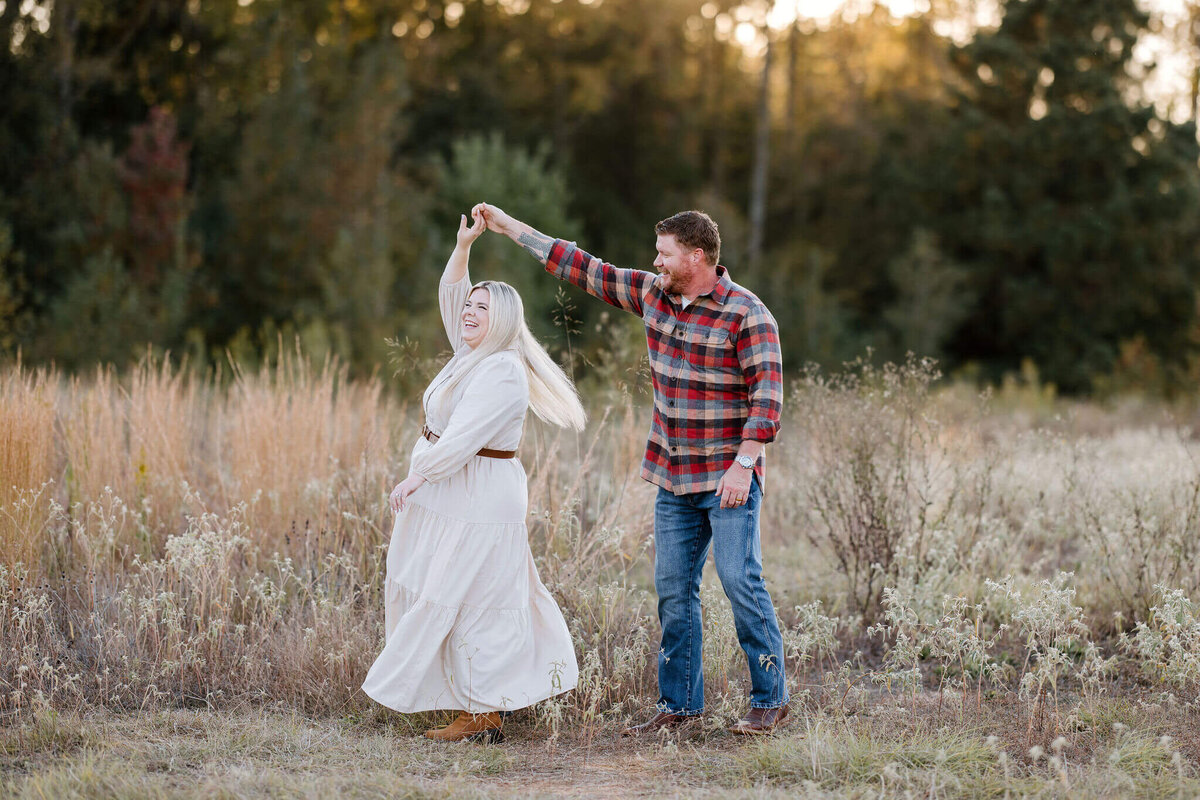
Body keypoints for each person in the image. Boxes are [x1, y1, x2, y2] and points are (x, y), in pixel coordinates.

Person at [477, 203, 789, 736]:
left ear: (697, 256)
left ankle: (770, 698)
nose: (656, 260)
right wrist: (508, 228)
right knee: (672, 591)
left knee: (740, 581)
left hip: (728, 478)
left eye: (665, 253)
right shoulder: (651, 294)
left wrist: (744, 465)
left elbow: (767, 398)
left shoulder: (747, 313)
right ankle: (680, 706)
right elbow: (579, 265)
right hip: (673, 477)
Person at [361, 209, 585, 743]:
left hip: (480, 494)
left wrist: (419, 476)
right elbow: (450, 295)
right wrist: (463, 249)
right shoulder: (471, 352)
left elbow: (463, 437)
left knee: (476, 597)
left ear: (501, 320)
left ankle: (485, 714)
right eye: (471, 305)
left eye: (481, 309)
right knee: (444, 590)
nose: (469, 312)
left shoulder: (502, 370)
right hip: (453, 491)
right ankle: (468, 704)